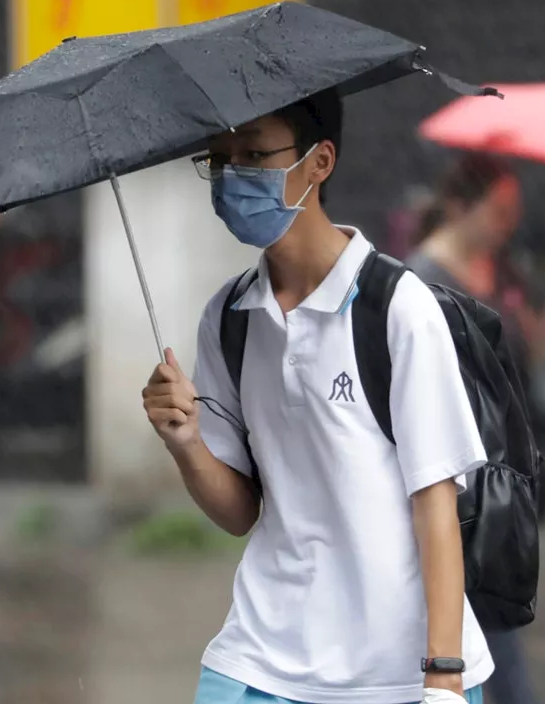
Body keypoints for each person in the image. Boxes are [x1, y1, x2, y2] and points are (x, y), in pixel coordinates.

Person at [143, 88, 492, 704]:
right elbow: (239, 513)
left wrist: (443, 675)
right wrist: (186, 442)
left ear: (319, 162)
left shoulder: (396, 306)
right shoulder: (228, 316)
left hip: (394, 672)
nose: (232, 178)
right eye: (219, 160)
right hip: (259, 657)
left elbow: (436, 501)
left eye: (253, 154)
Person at [406, 153, 545, 704]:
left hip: (505, 478)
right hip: (458, 475)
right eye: (500, 209)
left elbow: (527, 356)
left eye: (515, 211)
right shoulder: (421, 280)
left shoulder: (505, 271)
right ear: (460, 206)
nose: (509, 221)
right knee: (487, 622)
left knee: (495, 616)